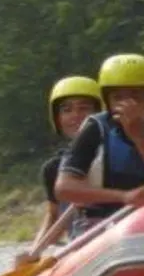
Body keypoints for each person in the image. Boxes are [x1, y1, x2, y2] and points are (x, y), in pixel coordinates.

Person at [55, 54, 144, 236]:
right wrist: (124, 197)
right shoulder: (94, 130)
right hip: (96, 225)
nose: (126, 104)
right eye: (118, 97)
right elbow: (64, 189)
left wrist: (142, 139)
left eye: (135, 96)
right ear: (108, 102)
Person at [15, 76, 102, 265]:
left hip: (113, 241)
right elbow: (53, 216)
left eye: (84, 108)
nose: (75, 116)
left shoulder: (118, 157)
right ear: (57, 118)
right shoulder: (53, 169)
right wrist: (34, 252)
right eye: (66, 110)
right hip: (79, 250)